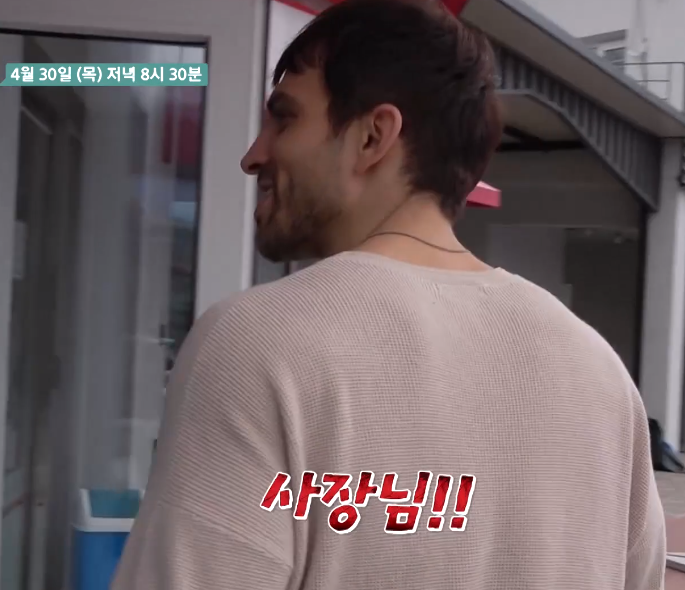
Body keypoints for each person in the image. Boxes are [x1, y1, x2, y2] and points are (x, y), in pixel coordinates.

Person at [112, 1, 666, 588]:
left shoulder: (259, 344)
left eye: (285, 119)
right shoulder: (601, 377)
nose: (254, 156)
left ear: (373, 137)